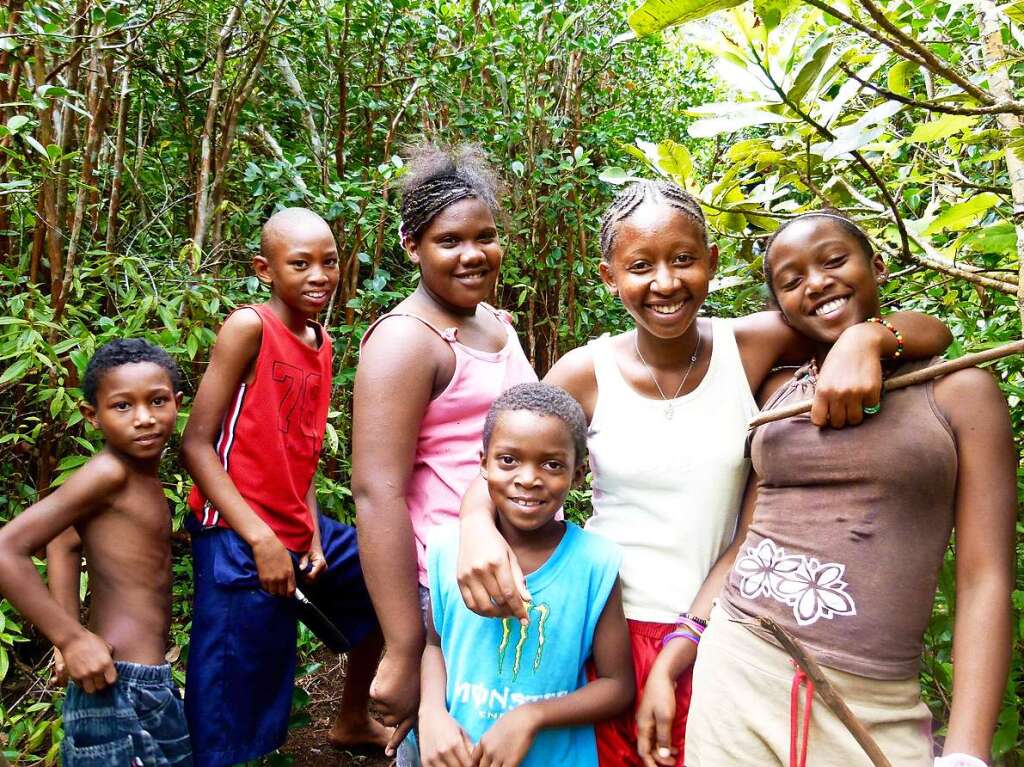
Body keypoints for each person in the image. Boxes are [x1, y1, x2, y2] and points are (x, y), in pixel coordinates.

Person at [454, 180, 954, 766]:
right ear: (609, 277)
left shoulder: (752, 344)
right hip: (602, 631)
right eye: (640, 265)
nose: (665, 282)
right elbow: (505, 460)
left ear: (711, 263)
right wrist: (474, 526)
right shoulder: (586, 372)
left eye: (684, 259)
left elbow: (924, 329)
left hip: (726, 632)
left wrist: (867, 337)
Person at [676, 210, 1015, 767]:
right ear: (780, 308)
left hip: (874, 702)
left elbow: (984, 578)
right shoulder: (780, 391)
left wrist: (967, 753)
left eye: (835, 261)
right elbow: (747, 533)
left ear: (876, 266)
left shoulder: (960, 392)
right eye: (790, 281)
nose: (816, 282)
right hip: (735, 666)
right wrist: (689, 631)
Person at [180, 207, 384, 767]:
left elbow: (303, 453)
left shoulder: (321, 341)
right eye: (300, 264)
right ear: (265, 270)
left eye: (330, 262)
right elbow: (196, 444)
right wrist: (262, 540)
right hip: (236, 535)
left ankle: (351, 719)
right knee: (230, 690)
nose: (319, 275)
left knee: (383, 573)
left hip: (295, 528)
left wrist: (314, 532)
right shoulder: (250, 327)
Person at [352, 144, 536, 761]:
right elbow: (377, 492)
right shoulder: (407, 340)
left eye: (486, 237)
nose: (473, 254)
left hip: (514, 565)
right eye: (449, 241)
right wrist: (404, 647)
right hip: (447, 584)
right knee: (446, 743)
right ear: (412, 246)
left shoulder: (493, 323)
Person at [420, 382, 633, 767]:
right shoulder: (446, 550)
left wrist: (531, 717)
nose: (529, 478)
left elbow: (617, 686)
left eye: (551, 464)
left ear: (579, 473)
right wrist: (431, 713)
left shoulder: (595, 562)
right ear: (482, 463)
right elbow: (435, 646)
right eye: (509, 460)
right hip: (458, 755)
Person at [0, 338, 191, 766]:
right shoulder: (108, 473)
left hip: (145, 684)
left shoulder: (139, 474)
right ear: (93, 416)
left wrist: (67, 636)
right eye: (123, 406)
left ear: (177, 403)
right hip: (119, 688)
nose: (144, 418)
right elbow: (6, 549)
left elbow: (63, 539)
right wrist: (70, 638)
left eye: (157, 401)